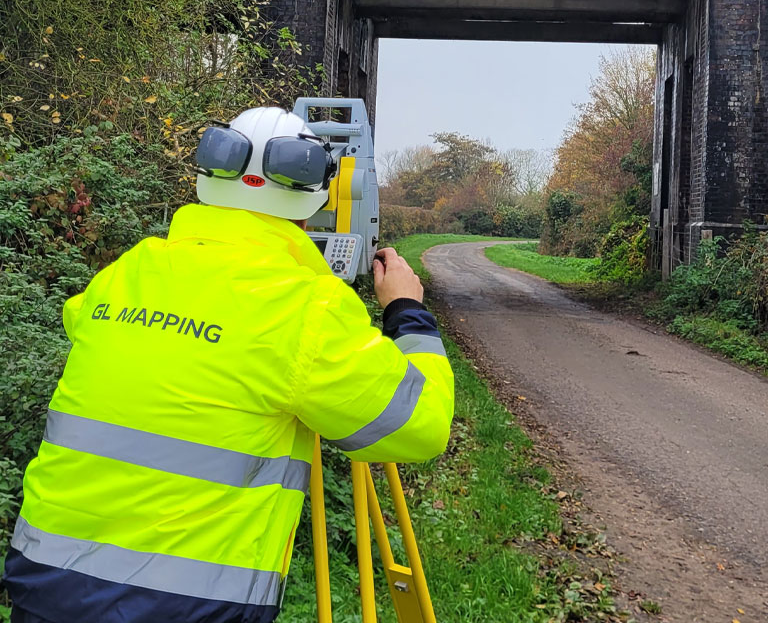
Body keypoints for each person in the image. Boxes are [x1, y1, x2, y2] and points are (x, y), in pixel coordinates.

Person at [2, 106, 454, 623]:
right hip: (183, 607)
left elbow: (82, 319)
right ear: (316, 197)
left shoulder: (130, 271)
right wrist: (407, 312)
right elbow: (420, 427)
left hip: (44, 584)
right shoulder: (306, 309)